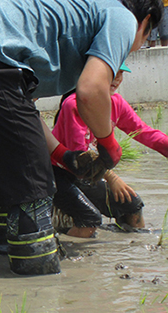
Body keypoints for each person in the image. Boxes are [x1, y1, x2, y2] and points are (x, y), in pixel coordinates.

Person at [0, 0, 162, 275]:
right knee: (33, 190)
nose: (136, 46)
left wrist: (63, 155)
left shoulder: (63, 14)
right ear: (146, 21)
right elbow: (91, 90)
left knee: (1, 181)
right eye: (145, 37)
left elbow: (22, 107)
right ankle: (36, 285)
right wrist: (109, 144)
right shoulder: (122, 14)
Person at [51, 62, 167, 237]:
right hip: (57, 173)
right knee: (90, 219)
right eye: (112, 73)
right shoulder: (73, 105)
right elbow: (81, 156)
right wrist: (112, 178)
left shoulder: (116, 103)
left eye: (121, 73)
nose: (117, 79)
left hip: (87, 174)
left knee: (133, 205)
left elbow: (144, 133)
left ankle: (130, 250)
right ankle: (60, 242)